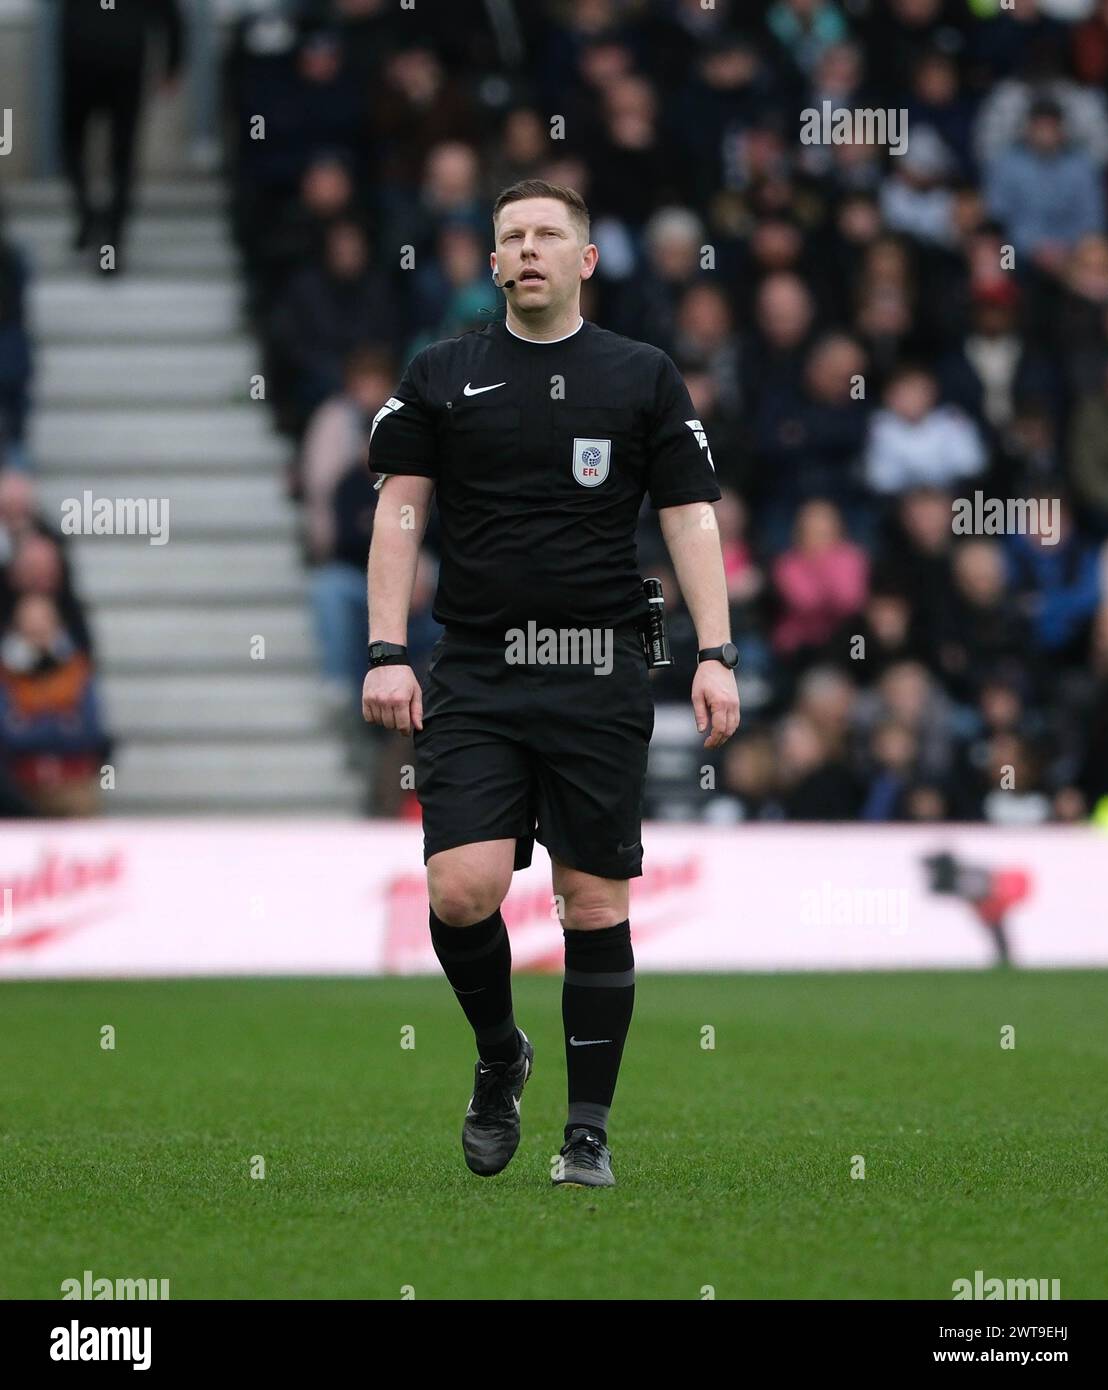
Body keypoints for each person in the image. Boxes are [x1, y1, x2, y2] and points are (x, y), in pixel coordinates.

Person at [364, 180, 739, 1187]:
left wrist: (715, 649)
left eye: (546, 236)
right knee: (460, 888)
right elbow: (400, 511)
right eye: (509, 238)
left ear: (585, 259)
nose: (526, 250)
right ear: (491, 264)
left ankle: (586, 1135)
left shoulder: (641, 375)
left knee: (591, 897)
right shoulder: (444, 373)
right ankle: (499, 1055)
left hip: (597, 662)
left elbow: (689, 513)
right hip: (480, 664)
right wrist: (385, 648)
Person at [59, 0, 183, 265]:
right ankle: (108, 234)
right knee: (119, 156)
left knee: (79, 145)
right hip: (116, 59)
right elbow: (170, 15)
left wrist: (173, 62)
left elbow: (170, 14)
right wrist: (173, 63)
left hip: (87, 57)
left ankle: (95, 222)